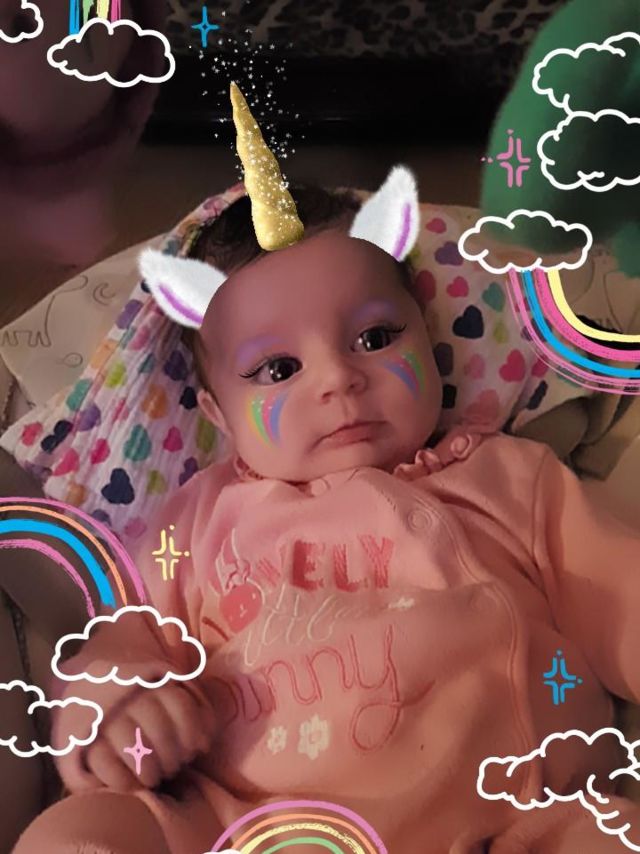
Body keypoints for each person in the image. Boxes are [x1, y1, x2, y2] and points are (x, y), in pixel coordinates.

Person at [12, 169, 640, 854]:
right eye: (279, 370)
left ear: (429, 342)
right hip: (239, 824)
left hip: (513, 820)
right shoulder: (197, 523)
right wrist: (119, 702)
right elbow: (121, 635)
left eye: (375, 338)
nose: (339, 378)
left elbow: (617, 593)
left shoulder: (507, 478)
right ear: (219, 414)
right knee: (78, 835)